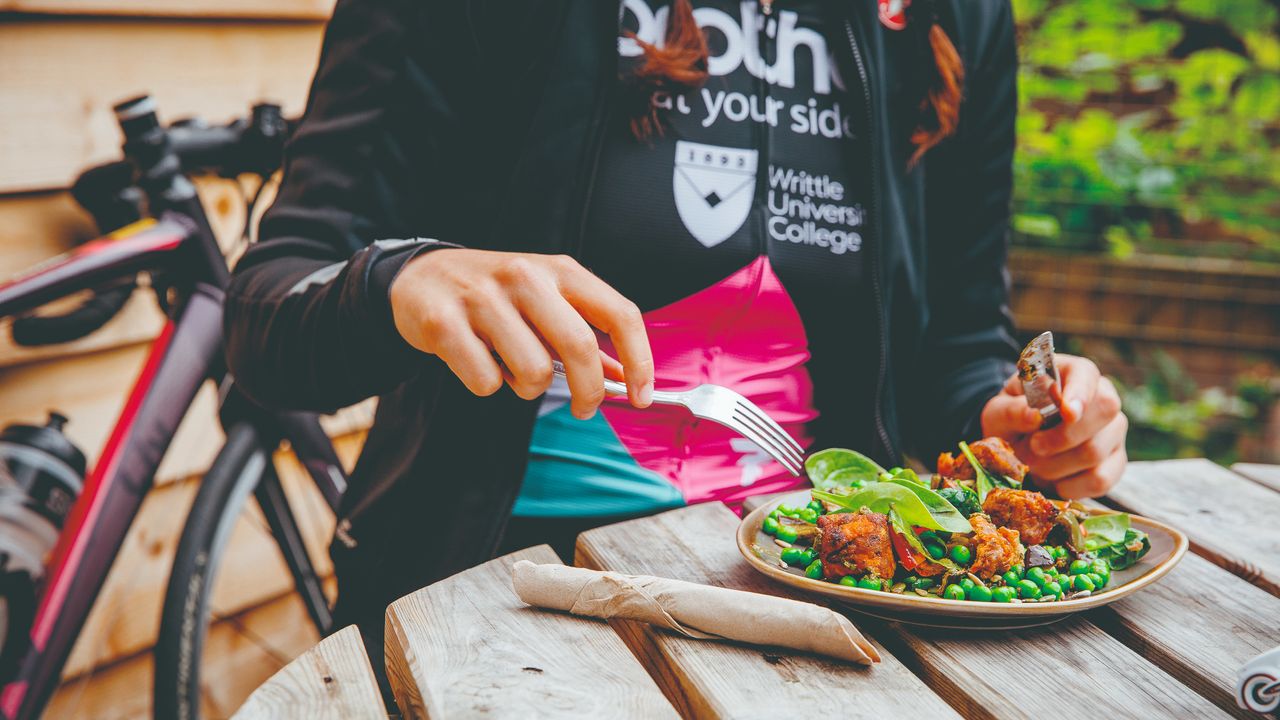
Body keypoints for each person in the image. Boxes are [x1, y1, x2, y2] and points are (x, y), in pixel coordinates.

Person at [225, 0, 1127, 670]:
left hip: (834, 616)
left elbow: (960, 342)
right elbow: (266, 315)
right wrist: (408, 277)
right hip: (509, 604)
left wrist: (1023, 419)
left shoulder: (954, 14)